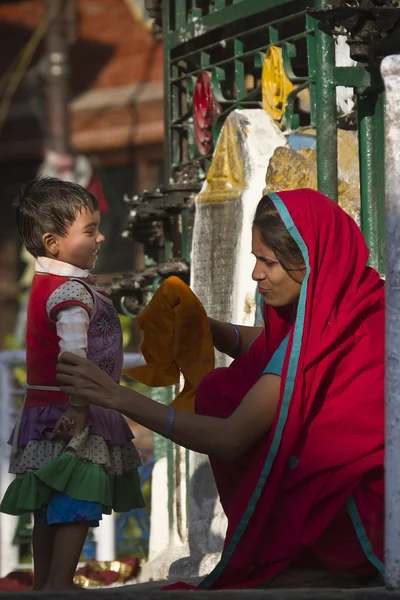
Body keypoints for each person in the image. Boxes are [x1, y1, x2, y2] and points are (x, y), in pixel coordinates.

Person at [56, 189, 384, 589]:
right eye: (255, 259)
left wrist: (114, 396)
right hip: (372, 507)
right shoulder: (360, 299)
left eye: (269, 262)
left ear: (309, 263)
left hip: (366, 520)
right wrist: (209, 329)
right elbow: (280, 349)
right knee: (224, 389)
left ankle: (319, 557)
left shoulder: (325, 337)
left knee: (221, 396)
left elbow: (231, 439)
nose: (255, 274)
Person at [0, 177, 145, 591]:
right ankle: (61, 584)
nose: (101, 237)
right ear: (52, 242)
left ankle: (46, 584)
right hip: (71, 410)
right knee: (76, 499)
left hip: (42, 411)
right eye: (90, 230)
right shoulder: (69, 293)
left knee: (47, 503)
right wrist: (80, 408)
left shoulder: (49, 285)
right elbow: (74, 357)